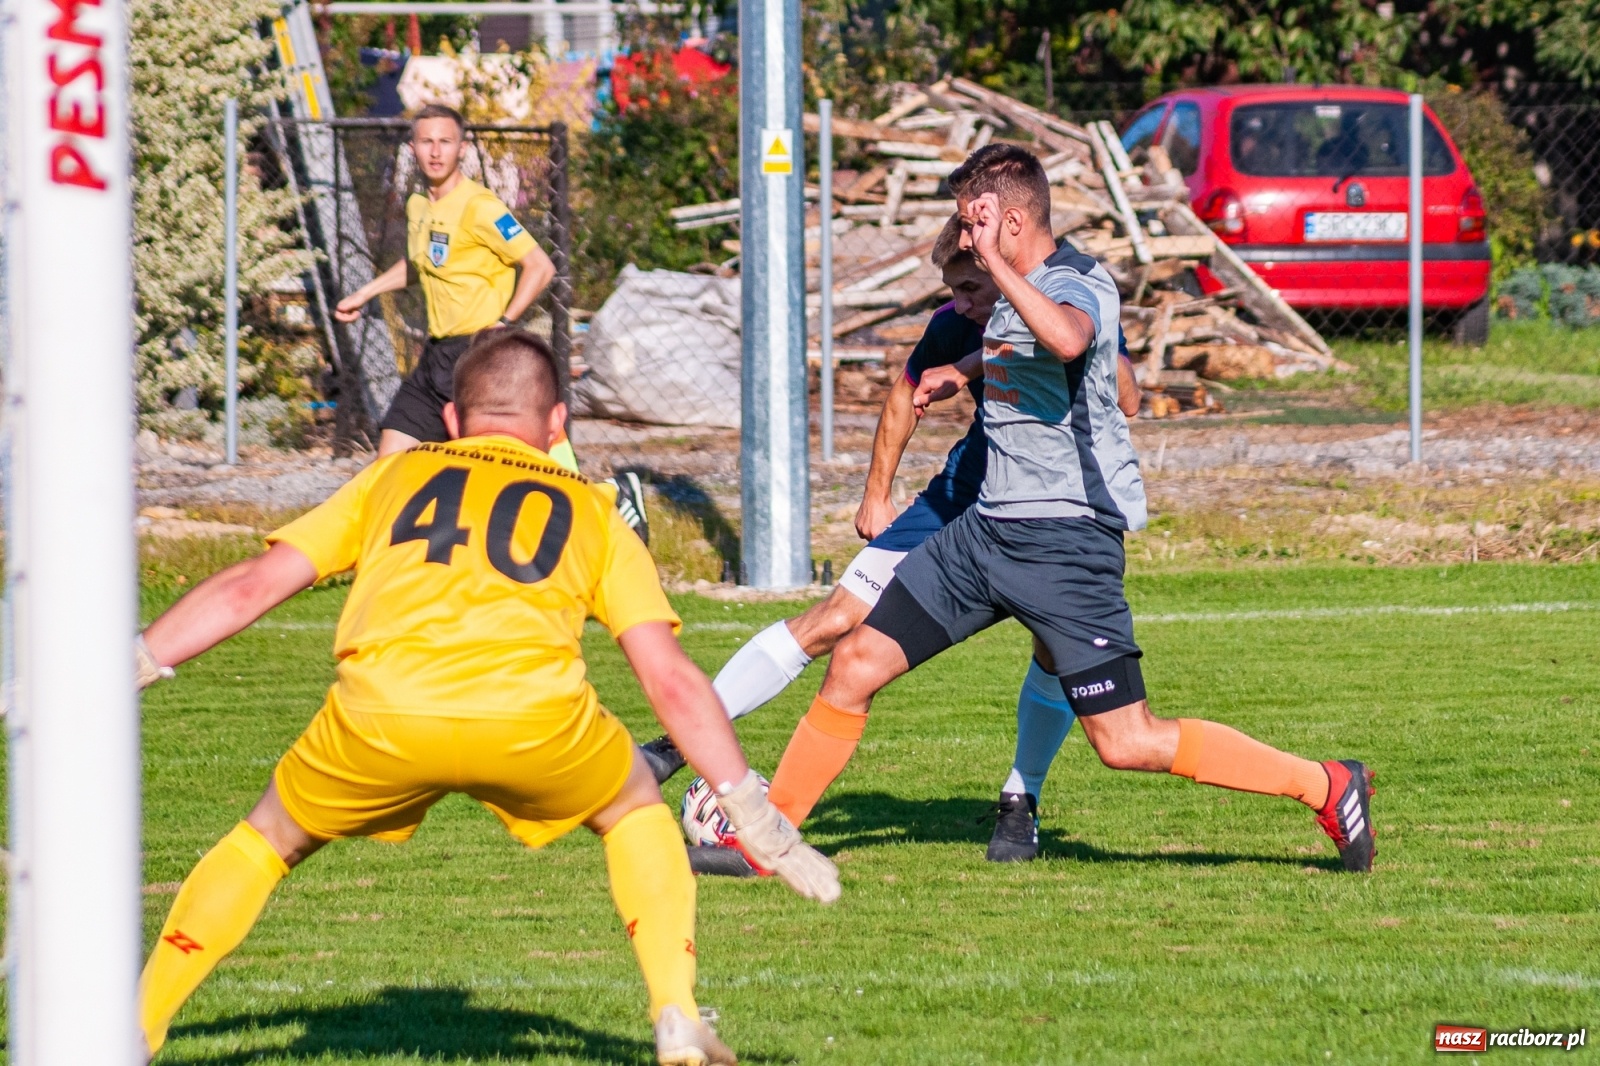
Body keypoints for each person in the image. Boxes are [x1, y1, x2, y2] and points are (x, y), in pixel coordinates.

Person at [133, 331, 839, 1065]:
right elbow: (668, 677)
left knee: (264, 841)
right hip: (533, 719)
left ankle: (136, 1026)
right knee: (635, 809)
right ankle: (676, 1011)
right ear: (557, 424)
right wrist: (748, 808)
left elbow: (253, 584)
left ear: (450, 421)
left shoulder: (392, 477)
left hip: (382, 712)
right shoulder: (593, 509)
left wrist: (137, 660)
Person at [757, 144, 1376, 873]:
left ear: (1012, 219)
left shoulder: (1081, 282)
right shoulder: (1008, 287)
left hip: (1066, 542)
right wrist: (965, 368)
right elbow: (1024, 344)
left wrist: (998, 273)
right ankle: (768, 844)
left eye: (975, 220)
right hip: (985, 534)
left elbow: (1069, 337)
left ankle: (1328, 785)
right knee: (855, 661)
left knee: (1127, 743)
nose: (967, 236)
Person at [640, 215, 1143, 864]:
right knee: (836, 619)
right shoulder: (955, 321)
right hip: (961, 497)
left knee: (1053, 646)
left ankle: (1021, 801)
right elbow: (906, 397)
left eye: (971, 290)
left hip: (1050, 513)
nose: (960, 305)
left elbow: (1126, 394)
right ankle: (677, 745)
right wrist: (877, 493)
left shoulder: (1065, 295)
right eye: (955, 290)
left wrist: (1098, 352)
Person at [334, 103, 648, 541]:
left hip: (477, 353)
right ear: (413, 148)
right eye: (427, 141)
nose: (436, 151)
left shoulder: (481, 206)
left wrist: (504, 322)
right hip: (436, 355)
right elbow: (420, 263)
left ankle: (612, 499)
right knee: (390, 465)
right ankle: (385, 556)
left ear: (462, 149)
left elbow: (539, 267)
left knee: (525, 470)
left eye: (446, 141)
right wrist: (366, 292)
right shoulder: (418, 205)